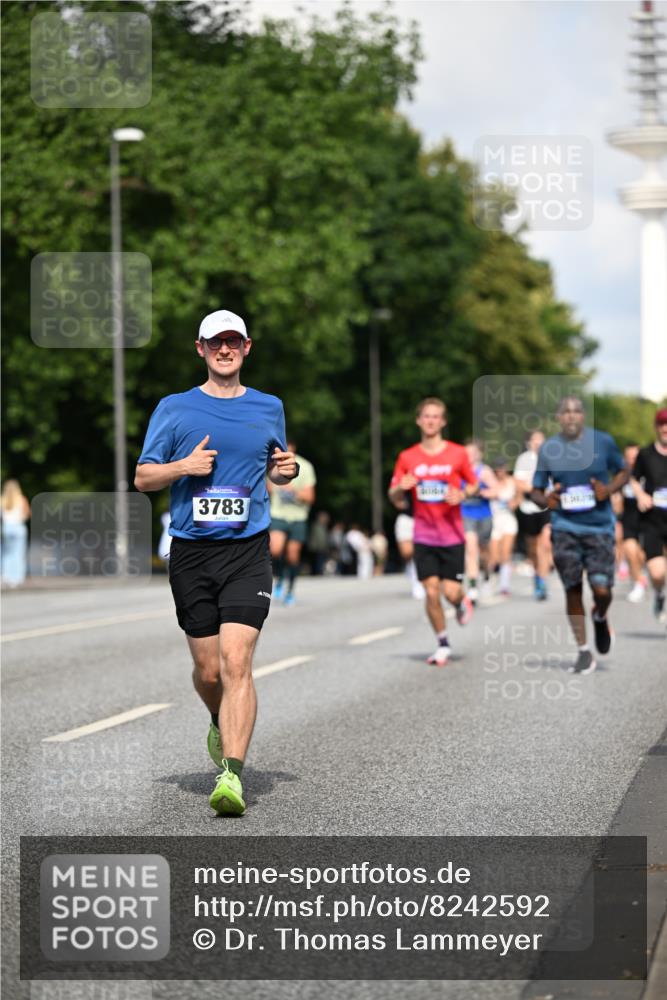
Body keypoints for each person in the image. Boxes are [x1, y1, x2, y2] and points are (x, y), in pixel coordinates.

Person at [134, 309, 298, 816]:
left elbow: (275, 468)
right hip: (191, 552)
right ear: (200, 349)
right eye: (214, 343)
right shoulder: (175, 409)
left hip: (247, 551)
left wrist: (285, 472)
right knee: (208, 671)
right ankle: (217, 718)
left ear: (247, 347)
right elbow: (143, 478)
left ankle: (232, 776)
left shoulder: (269, 406)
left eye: (232, 342)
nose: (224, 350)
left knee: (236, 662)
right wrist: (184, 467)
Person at [530, 396, 628, 674]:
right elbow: (536, 491)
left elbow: (624, 470)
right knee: (572, 589)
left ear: (583, 416)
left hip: (599, 527)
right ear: (558, 417)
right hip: (564, 529)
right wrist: (546, 499)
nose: (571, 416)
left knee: (601, 589)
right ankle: (583, 651)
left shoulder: (603, 442)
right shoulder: (549, 448)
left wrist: (608, 490)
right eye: (565, 412)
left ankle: (599, 615)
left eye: (576, 411)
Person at [389, 397, 477, 666]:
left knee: (451, 592)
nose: (430, 421)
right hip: (424, 535)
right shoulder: (407, 457)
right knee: (430, 591)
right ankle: (442, 642)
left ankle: (462, 601)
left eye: (435, 416)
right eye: (426, 416)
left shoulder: (457, 454)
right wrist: (401, 487)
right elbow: (394, 496)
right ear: (419, 420)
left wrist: (461, 494)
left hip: (452, 536)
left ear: (443, 421)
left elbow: (473, 484)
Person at [268, 441, 316, 606]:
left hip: (298, 517)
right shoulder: (272, 463)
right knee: (275, 549)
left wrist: (292, 490)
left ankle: (290, 590)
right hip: (278, 514)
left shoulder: (306, 466)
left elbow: (310, 498)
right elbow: (267, 489)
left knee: (293, 555)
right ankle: (280, 578)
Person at [632, 408, 667, 623]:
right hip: (653, 520)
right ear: (656, 427)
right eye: (662, 424)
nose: (666, 428)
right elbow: (634, 479)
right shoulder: (646, 454)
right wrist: (640, 495)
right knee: (656, 573)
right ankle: (660, 594)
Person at [514, 430, 552, 601]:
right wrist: (535, 490)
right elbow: (518, 483)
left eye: (541, 440)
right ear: (529, 443)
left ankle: (542, 581)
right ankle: (537, 576)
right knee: (533, 548)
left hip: (546, 508)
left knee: (544, 544)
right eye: (535, 440)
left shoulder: (551, 459)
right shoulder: (524, 459)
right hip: (529, 508)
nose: (538, 443)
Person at [461, 440, 497, 605]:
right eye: (466, 453)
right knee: (471, 549)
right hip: (466, 514)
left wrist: (480, 492)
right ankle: (473, 588)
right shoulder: (459, 471)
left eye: (473, 453)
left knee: (483, 553)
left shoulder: (485, 471)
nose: (470, 456)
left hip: (484, 515)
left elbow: (497, 491)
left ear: (479, 454)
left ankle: (487, 573)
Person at [618, 444, 646, 603]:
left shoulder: (650, 472)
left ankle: (645, 576)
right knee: (629, 549)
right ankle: (638, 582)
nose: (632, 460)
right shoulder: (622, 475)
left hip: (649, 518)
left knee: (643, 554)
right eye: (629, 457)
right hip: (629, 518)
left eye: (635, 457)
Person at [489, 457, 519, 596]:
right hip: (494, 520)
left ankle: (504, 585)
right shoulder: (490, 482)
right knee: (494, 556)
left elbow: (519, 497)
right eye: (498, 468)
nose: (500, 471)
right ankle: (492, 579)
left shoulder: (512, 482)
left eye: (502, 467)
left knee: (506, 552)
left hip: (508, 520)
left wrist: (514, 503)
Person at [393, 496, 424, 599]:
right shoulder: (406, 480)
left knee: (420, 550)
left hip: (425, 518)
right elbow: (395, 497)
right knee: (407, 552)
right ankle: (411, 569)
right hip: (407, 517)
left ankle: (418, 580)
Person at [1, 479, 30, 587]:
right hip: (18, 527)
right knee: (18, 553)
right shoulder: (21, 499)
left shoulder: (2, 500)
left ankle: (6, 576)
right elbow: (27, 514)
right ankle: (17, 578)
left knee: (6, 553)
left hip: (6, 528)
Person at [308, 510, 331, 576]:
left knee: (320, 561)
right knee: (316, 561)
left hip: (321, 547)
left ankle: (318, 572)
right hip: (317, 547)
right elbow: (318, 538)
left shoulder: (323, 526)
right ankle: (316, 573)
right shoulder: (317, 526)